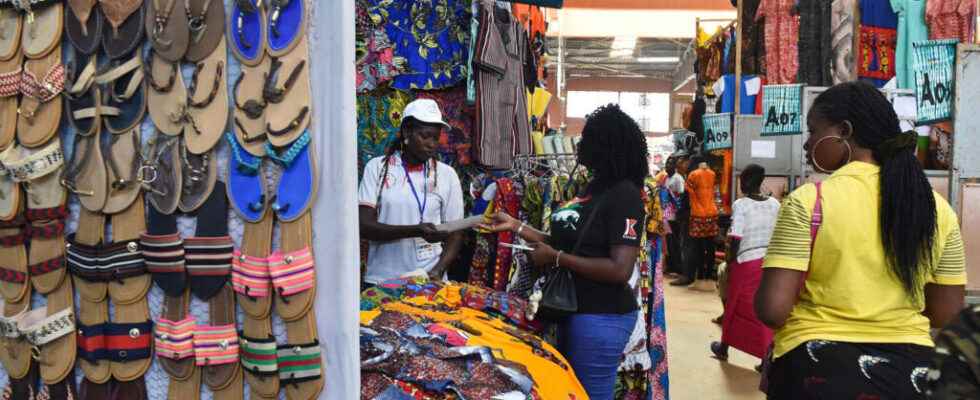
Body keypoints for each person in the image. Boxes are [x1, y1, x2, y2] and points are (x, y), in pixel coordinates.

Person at [755, 81, 966, 399]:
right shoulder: (937, 209)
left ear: (843, 131)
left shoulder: (810, 202)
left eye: (813, 131)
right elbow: (946, 313)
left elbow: (772, 310)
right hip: (911, 375)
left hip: (818, 370)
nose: (807, 143)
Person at [481, 104, 648, 399]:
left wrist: (555, 259)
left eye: (588, 138)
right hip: (577, 310)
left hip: (602, 316)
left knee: (587, 394)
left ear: (605, 145)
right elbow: (570, 241)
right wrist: (516, 226)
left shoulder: (625, 196)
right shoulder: (596, 189)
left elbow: (619, 268)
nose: (580, 144)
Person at [358, 99, 465, 289]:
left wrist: (438, 271)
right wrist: (415, 230)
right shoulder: (378, 168)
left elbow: (455, 233)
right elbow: (364, 226)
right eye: (425, 136)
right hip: (383, 280)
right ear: (407, 132)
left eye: (436, 137)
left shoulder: (446, 175)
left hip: (430, 280)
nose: (432, 144)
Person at [711, 164, 779, 366]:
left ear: (744, 182)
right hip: (768, 262)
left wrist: (729, 263)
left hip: (746, 262)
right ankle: (764, 356)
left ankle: (725, 348)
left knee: (734, 305)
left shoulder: (741, 205)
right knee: (762, 307)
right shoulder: (775, 204)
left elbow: (736, 238)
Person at [679, 156, 719, 286]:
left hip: (696, 214)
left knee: (692, 246)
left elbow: (687, 194)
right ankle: (707, 274)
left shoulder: (693, 174)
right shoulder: (712, 174)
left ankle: (692, 274)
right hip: (711, 213)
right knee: (709, 245)